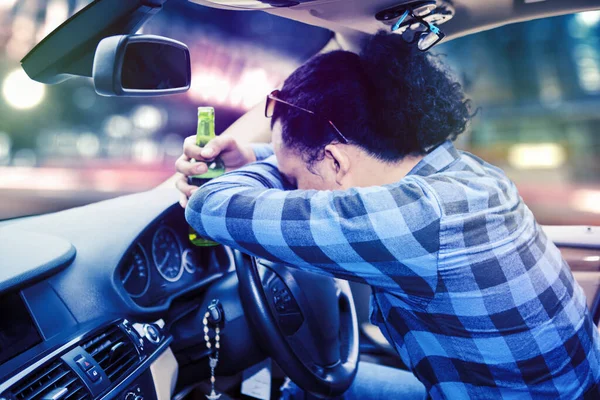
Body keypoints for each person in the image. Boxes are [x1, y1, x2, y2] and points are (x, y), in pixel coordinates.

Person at [175, 32, 600, 399]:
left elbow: (209, 207)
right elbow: (315, 169)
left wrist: (250, 172)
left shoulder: (414, 223)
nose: (291, 187)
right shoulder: (462, 175)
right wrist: (259, 158)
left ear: (337, 163)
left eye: (292, 178)